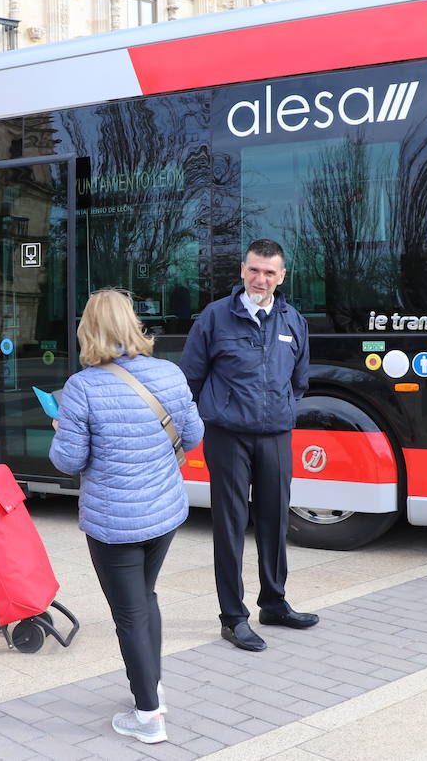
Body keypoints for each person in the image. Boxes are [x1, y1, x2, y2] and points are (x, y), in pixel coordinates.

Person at [49, 288, 204, 745]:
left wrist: (61, 427)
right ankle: (151, 686)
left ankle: (149, 715)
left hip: (114, 522)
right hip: (164, 514)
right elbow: (192, 436)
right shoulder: (170, 373)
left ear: (88, 329)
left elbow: (68, 461)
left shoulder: (83, 387)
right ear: (133, 323)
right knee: (145, 598)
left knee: (129, 614)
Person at [179, 238, 314, 652]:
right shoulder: (215, 317)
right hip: (227, 435)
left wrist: (280, 409)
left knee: (274, 520)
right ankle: (233, 617)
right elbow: (191, 378)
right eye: (254, 270)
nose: (261, 279)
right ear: (242, 270)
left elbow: (300, 381)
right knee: (231, 524)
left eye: (270, 272)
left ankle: (274, 603)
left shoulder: (294, 321)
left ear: (282, 276)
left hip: (275, 434)